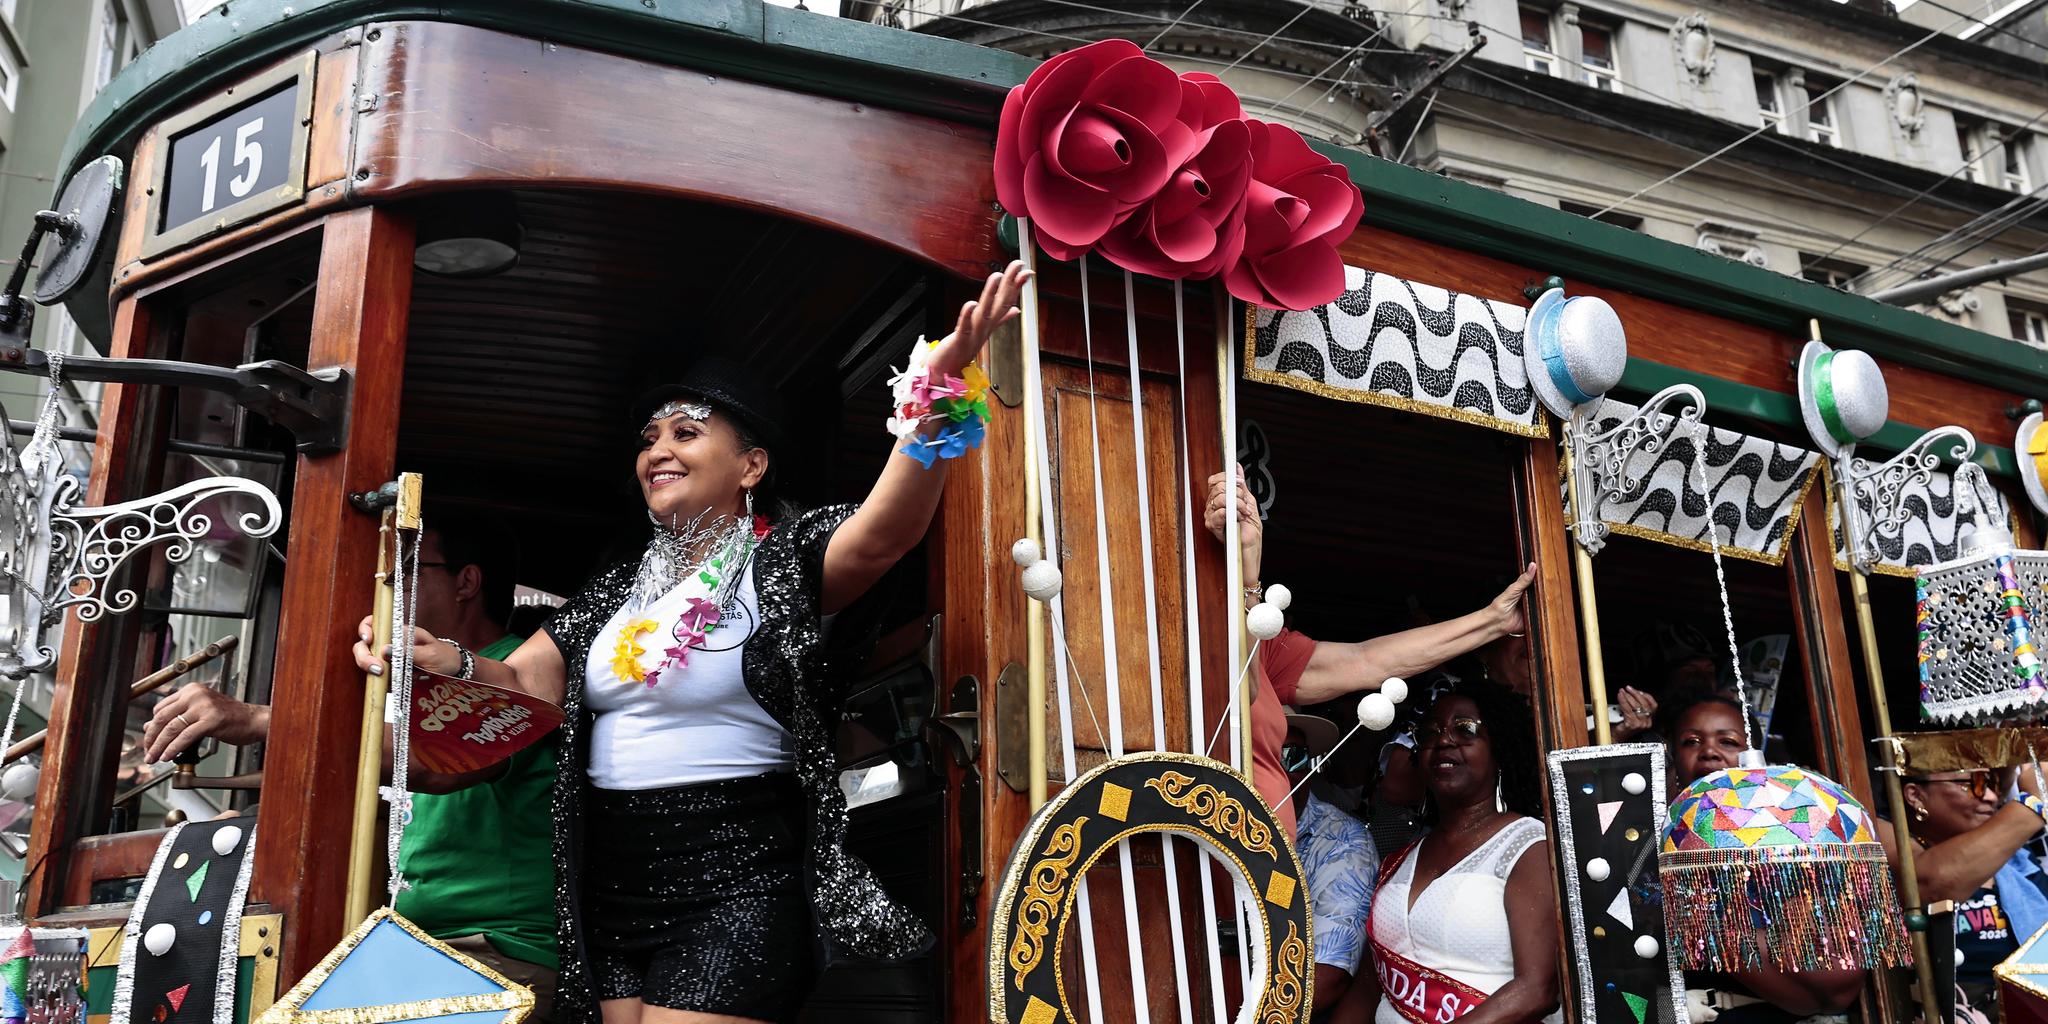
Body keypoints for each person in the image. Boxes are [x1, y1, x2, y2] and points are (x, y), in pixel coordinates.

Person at [354, 263, 1030, 1024]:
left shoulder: (783, 559)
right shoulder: (617, 590)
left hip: (735, 871)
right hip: (612, 877)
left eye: (686, 432)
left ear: (752, 465)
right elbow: (523, 683)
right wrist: (450, 662)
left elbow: (886, 534)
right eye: (649, 439)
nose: (657, 450)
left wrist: (932, 403)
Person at [140, 518, 561, 1018]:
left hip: (499, 950)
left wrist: (257, 719)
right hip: (423, 942)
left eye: (402, 572)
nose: (382, 594)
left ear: (466, 583)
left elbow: (430, 763)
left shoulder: (514, 673)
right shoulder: (414, 690)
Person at [1203, 470, 1535, 831]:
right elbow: (1240, 690)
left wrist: (1494, 622)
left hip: (1267, 865)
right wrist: (1247, 578)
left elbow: (1366, 660)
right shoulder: (1193, 637)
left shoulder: (1265, 647)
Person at [1353, 678, 1559, 1024]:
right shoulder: (1399, 861)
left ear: (1499, 751)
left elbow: (1538, 990)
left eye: (1465, 730)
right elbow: (1367, 990)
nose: (1444, 740)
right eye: (1430, 733)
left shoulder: (1526, 844)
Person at [1662, 691, 1863, 1023]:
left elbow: (1835, 990)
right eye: (1691, 741)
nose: (1709, 752)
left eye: (1727, 742)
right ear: (1673, 757)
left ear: (1755, 760)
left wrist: (1708, 923)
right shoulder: (1655, 842)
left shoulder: (1793, 842)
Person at [1284, 713, 1379, 1014]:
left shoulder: (1345, 841)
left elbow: (1324, 978)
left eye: (1294, 757)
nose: (1283, 771)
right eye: (1263, 757)